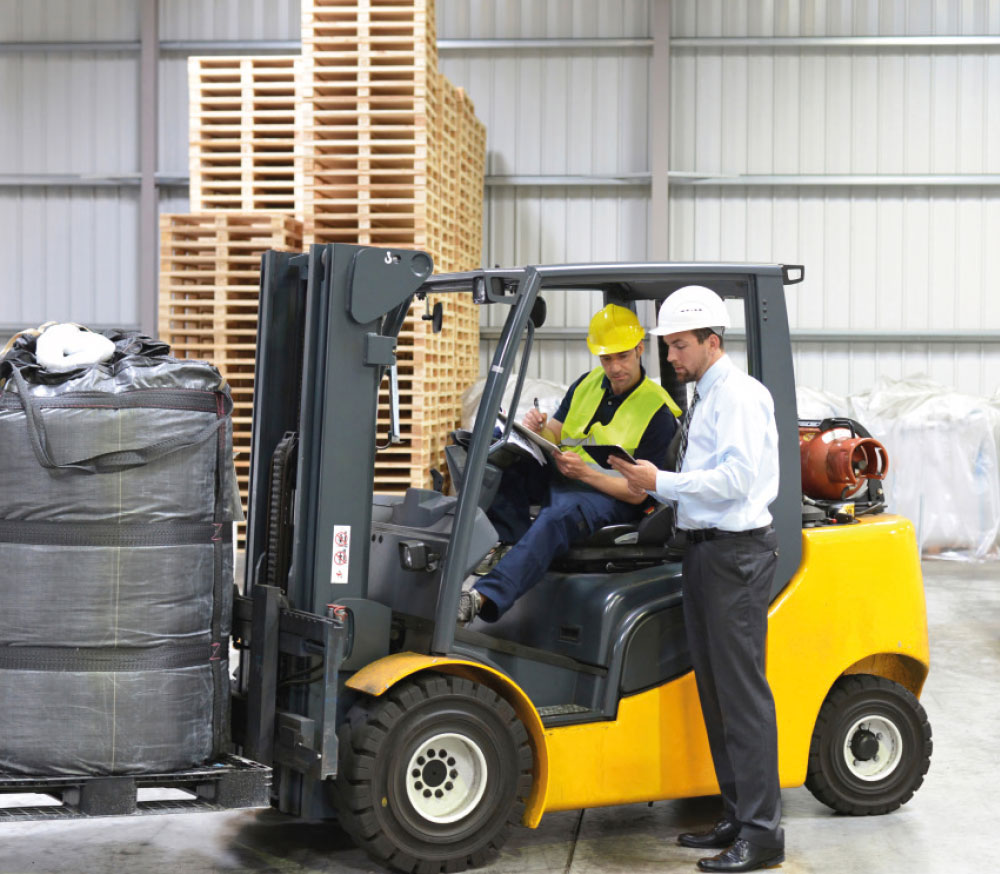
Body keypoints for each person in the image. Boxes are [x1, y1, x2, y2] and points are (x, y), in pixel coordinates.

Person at [610, 286, 784, 873]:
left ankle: (763, 834)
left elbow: (735, 480)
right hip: (706, 553)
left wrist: (662, 481)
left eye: (680, 345)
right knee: (715, 692)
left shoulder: (737, 397)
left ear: (713, 341)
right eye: (668, 346)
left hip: (736, 555)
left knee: (742, 695)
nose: (671, 357)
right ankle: (737, 813)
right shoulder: (705, 396)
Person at [458, 303, 680, 624]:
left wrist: (586, 475)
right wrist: (538, 428)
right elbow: (560, 434)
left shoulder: (658, 413)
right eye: (607, 358)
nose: (615, 366)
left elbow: (640, 493)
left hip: (609, 494)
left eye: (622, 356)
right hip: (569, 472)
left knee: (558, 516)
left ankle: (483, 596)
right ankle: (509, 545)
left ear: (639, 349)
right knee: (497, 444)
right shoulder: (587, 384)